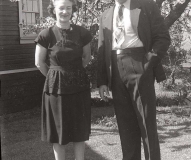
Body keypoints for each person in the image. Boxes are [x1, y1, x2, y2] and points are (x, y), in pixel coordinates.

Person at [97, 0, 171, 159]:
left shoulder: (146, 6)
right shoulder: (106, 15)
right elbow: (102, 49)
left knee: (147, 125)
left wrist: (149, 62)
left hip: (139, 64)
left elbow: (163, 37)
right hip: (115, 68)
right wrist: (102, 80)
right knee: (125, 127)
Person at [34, 0, 92, 159]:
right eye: (61, 8)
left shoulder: (82, 32)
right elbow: (39, 63)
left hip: (79, 87)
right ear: (54, 10)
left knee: (79, 130)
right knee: (58, 131)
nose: (65, 11)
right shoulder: (46, 34)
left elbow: (87, 57)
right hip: (56, 90)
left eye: (69, 8)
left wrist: (73, 74)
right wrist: (55, 76)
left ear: (73, 10)